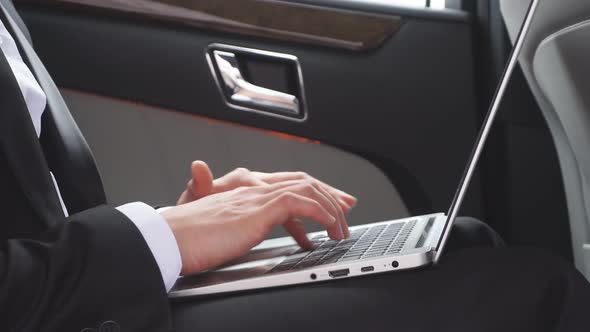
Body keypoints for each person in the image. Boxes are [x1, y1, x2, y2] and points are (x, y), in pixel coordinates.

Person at [0, 1, 588, 331]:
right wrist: (158, 239)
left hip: (66, 298)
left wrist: (174, 237)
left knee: (462, 243)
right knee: (531, 292)